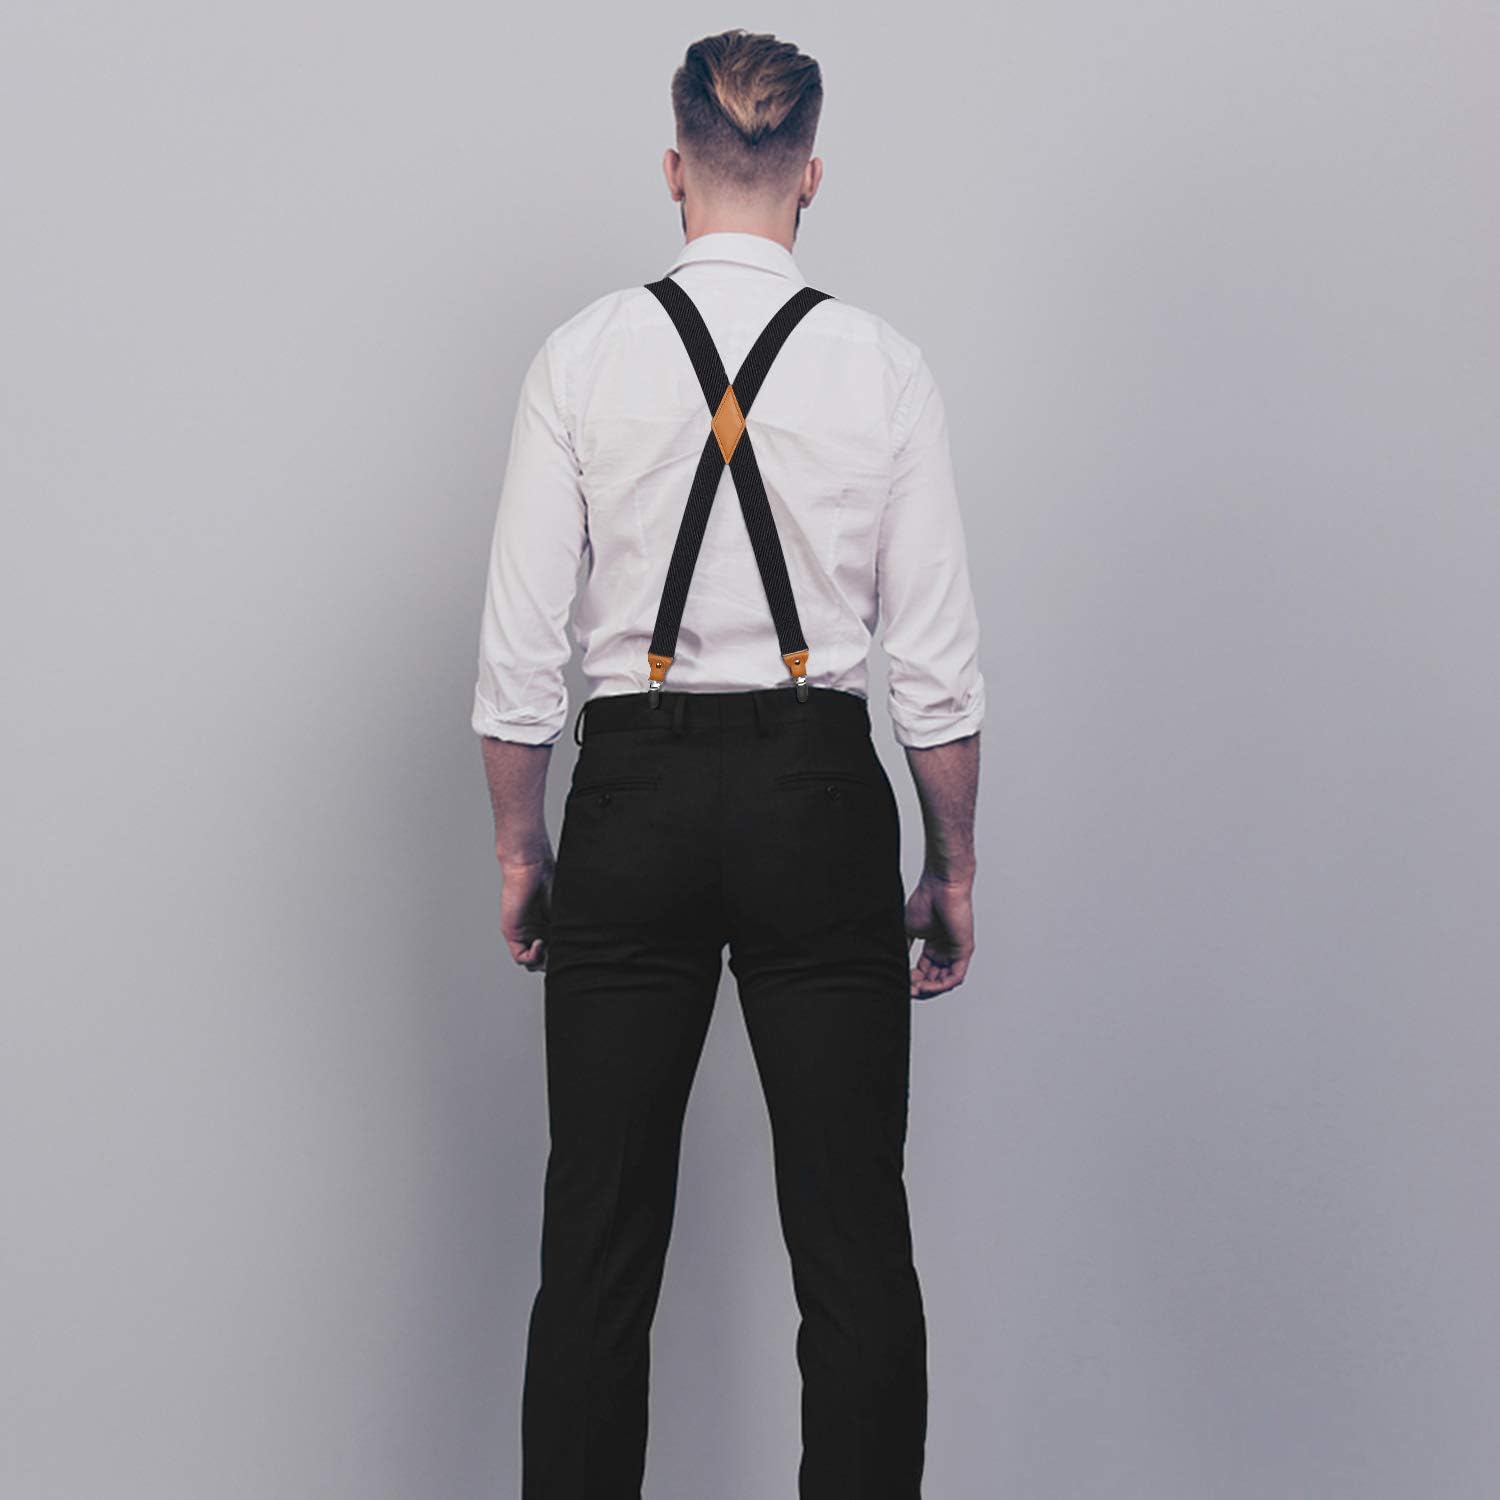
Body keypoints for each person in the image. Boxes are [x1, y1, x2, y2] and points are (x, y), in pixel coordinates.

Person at [472, 27, 984, 1499]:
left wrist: (523, 852)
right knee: (853, 1241)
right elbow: (935, 672)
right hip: (817, 799)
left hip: (631, 796)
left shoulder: (582, 357)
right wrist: (951, 868)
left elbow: (517, 663)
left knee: (596, 1242)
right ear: (811, 175)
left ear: (673, 170)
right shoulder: (883, 367)